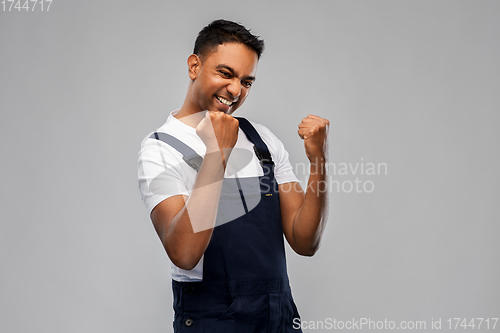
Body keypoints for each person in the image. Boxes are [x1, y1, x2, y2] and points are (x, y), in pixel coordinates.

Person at [137, 19, 329, 332]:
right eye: (225, 73)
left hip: (277, 315)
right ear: (194, 66)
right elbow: (184, 253)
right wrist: (217, 155)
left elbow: (304, 240)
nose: (236, 90)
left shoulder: (262, 140)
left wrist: (318, 159)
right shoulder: (160, 148)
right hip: (213, 318)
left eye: (247, 81)